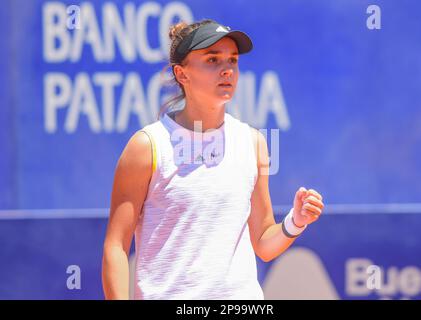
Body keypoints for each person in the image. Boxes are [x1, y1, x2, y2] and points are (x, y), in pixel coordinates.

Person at [102, 19, 324, 300]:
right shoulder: (147, 146)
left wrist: (296, 221)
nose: (227, 69)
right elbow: (116, 247)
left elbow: (263, 243)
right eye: (212, 59)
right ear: (182, 74)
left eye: (232, 60)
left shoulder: (253, 142)